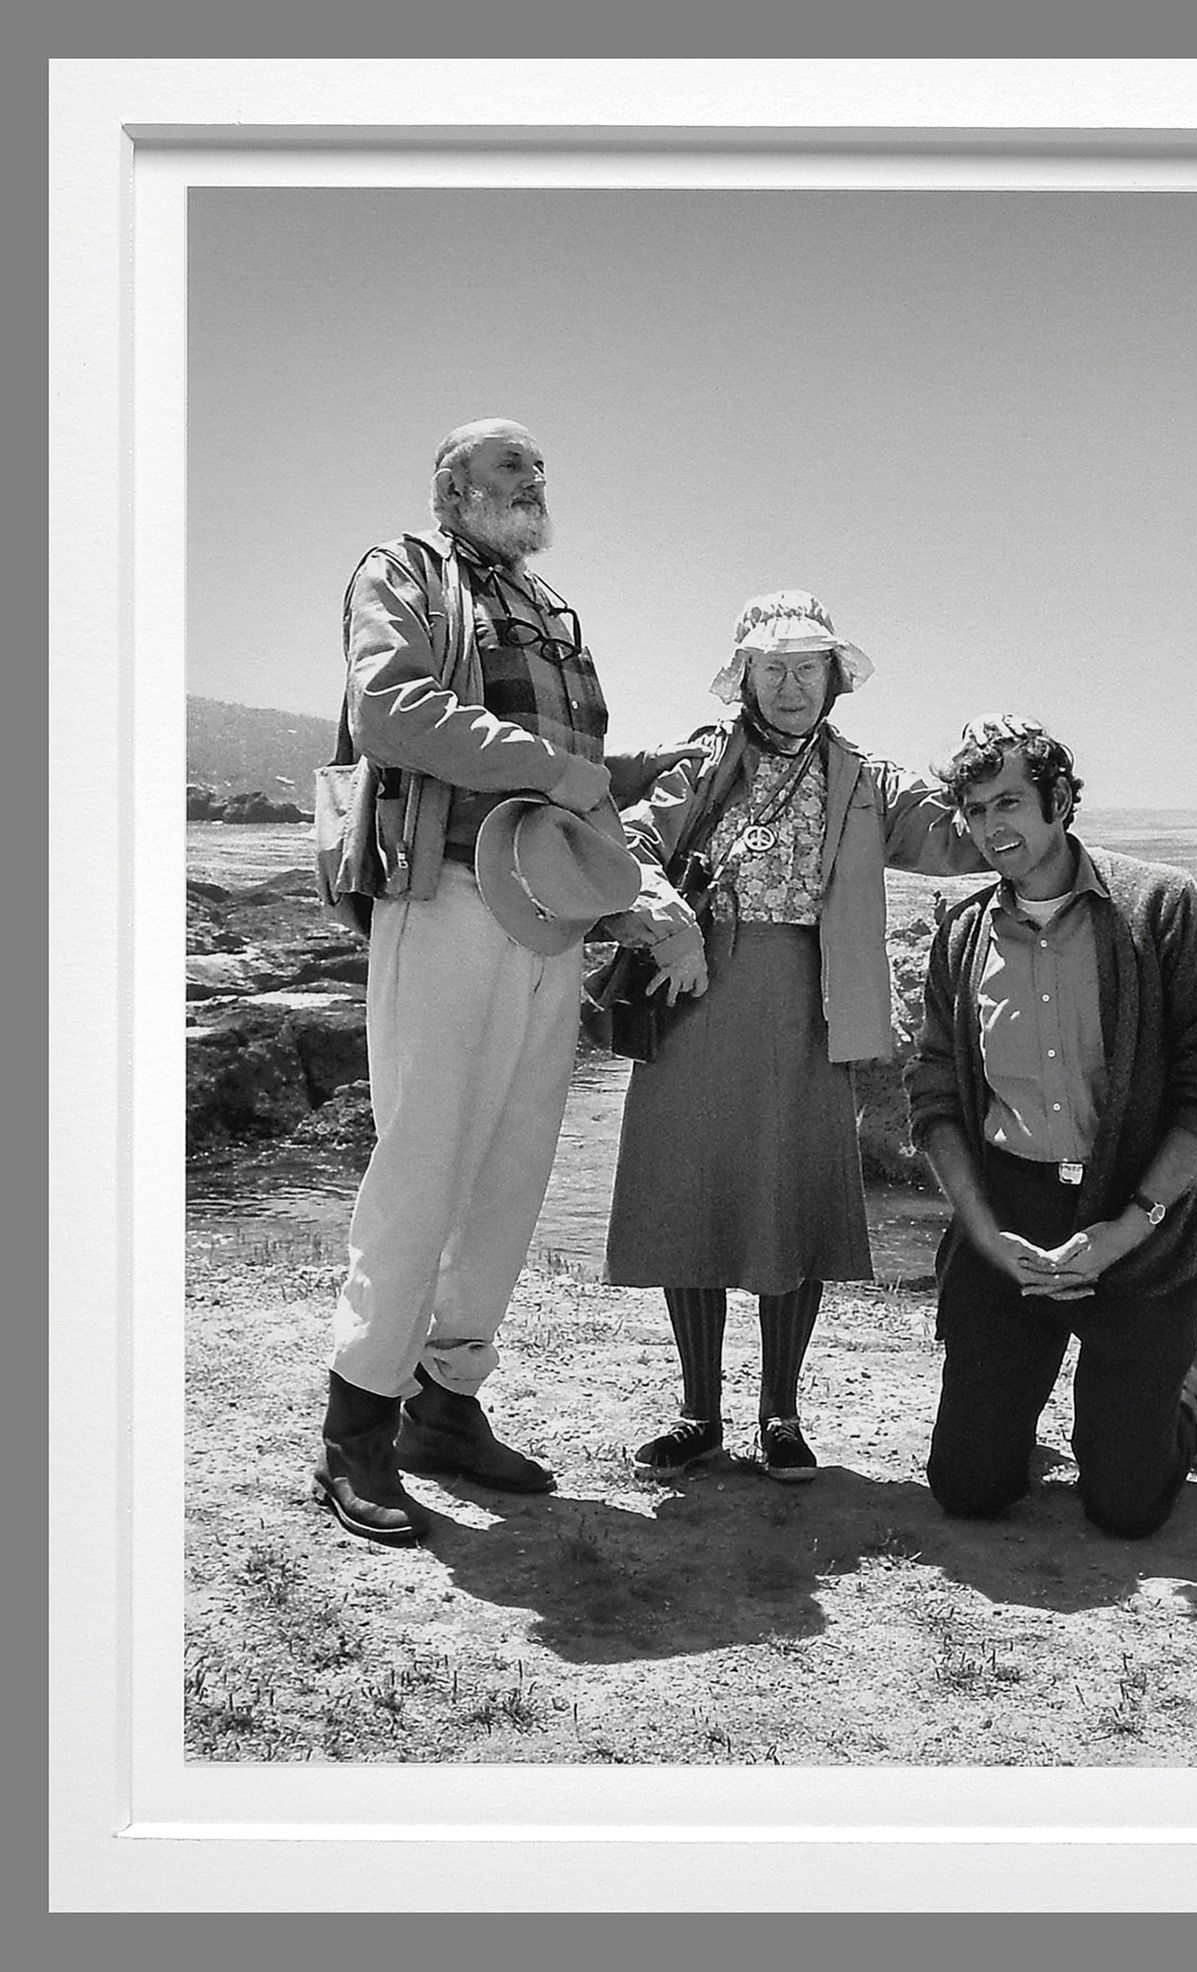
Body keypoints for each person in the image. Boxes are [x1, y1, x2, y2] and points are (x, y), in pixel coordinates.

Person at [314, 417, 698, 1547]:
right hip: (439, 892)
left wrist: (636, 771)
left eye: (538, 468)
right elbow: (394, 710)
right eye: (508, 465)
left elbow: (567, 774)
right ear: (452, 486)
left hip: (546, 908)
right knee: (426, 1153)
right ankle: (356, 1426)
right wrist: (575, 771)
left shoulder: (548, 607)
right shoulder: (406, 572)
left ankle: (446, 1402)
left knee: (514, 1166)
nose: (532, 481)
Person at [604, 590, 989, 1484]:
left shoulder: (867, 780)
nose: (789, 685)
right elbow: (630, 846)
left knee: (790, 1199)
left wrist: (1009, 776)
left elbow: (966, 841)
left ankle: (781, 1415)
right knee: (689, 1196)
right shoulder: (703, 761)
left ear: (832, 678)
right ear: (743, 677)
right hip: (690, 987)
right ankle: (700, 1415)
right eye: (771, 667)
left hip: (813, 1002)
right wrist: (669, 926)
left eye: (806, 666)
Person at [906, 716, 1197, 1536]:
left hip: (1136, 1224)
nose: (992, 827)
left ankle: (1189, 1390)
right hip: (1010, 1225)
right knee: (970, 1490)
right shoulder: (962, 934)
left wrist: (1127, 1226)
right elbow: (935, 1093)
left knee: (1126, 1509)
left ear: (1059, 800)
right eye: (973, 809)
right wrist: (984, 1231)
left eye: (1010, 803)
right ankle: (1027, 1409)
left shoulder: (1159, 907)